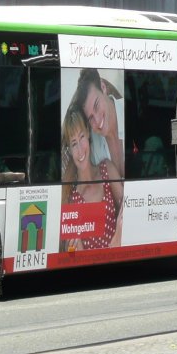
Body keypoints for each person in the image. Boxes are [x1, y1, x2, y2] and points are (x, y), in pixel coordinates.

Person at [61, 106, 123, 251]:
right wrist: (76, 248)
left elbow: (129, 205)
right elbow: (67, 250)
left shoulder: (106, 169)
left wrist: (119, 234)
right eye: (74, 143)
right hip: (90, 271)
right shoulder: (70, 197)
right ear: (69, 149)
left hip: (118, 263)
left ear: (88, 134)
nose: (80, 150)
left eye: (81, 137)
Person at [73, 68, 125, 178]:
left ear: (103, 88)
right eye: (90, 117)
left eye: (96, 105)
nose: (97, 121)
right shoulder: (93, 146)